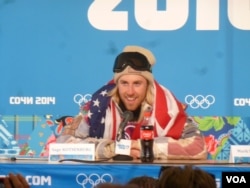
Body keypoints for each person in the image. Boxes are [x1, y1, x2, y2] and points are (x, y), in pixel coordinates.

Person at [56, 45, 207, 160]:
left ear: (148, 84)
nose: (130, 92)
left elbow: (198, 148)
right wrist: (111, 149)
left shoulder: (169, 108)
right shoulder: (98, 106)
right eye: (124, 83)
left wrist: (145, 147)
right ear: (116, 83)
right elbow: (61, 146)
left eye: (137, 83)